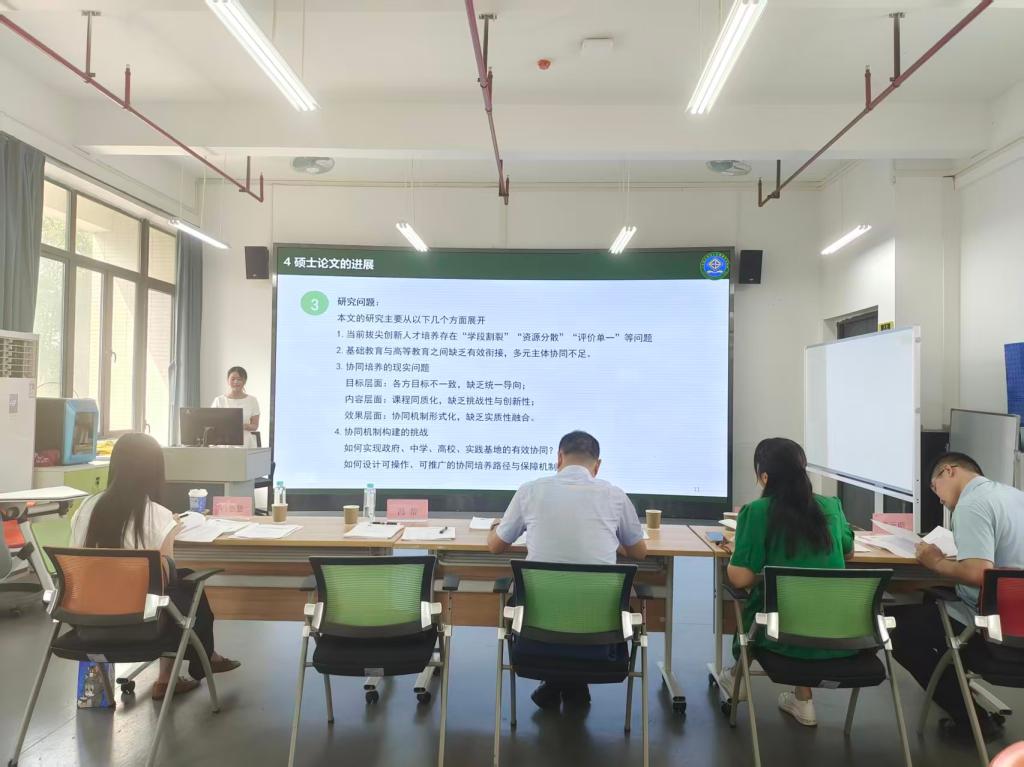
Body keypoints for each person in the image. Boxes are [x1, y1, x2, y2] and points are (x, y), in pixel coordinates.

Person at [70, 433, 240, 700]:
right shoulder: (158, 516)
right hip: (141, 624)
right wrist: (170, 529)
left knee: (180, 582)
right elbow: (164, 582)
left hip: (86, 621)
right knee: (186, 585)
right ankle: (186, 667)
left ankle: (203, 659)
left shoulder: (86, 508)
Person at [487, 430, 647, 710]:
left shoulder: (530, 491)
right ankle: (571, 683)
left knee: (554, 604)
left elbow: (496, 546)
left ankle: (558, 682)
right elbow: (639, 552)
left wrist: (494, 527)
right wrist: (612, 538)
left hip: (537, 630)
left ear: (558, 458)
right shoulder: (614, 495)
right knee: (578, 607)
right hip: (600, 634)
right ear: (597, 466)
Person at [888, 452, 1024, 740]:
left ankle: (972, 720)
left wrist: (936, 562)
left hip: (992, 631)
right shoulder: (1015, 496)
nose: (939, 499)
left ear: (949, 471)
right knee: (930, 606)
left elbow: (977, 573)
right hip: (1017, 624)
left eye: (935, 488)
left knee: (897, 629)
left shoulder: (971, 504)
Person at [722, 437, 854, 727]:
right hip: (838, 633)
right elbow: (847, 549)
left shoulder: (757, 512)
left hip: (778, 634)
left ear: (764, 477)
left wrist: (736, 550)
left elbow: (741, 577)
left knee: (765, 602)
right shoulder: (831, 507)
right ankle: (803, 699)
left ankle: (736, 676)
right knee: (807, 596)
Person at [211, 366, 260, 447]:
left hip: (245, 443)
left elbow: (255, 425)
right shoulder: (219, 400)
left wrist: (242, 426)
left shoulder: (252, 400)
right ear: (228, 380)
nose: (236, 382)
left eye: (239, 379)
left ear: (244, 381)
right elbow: (211, 423)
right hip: (223, 443)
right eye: (233, 379)